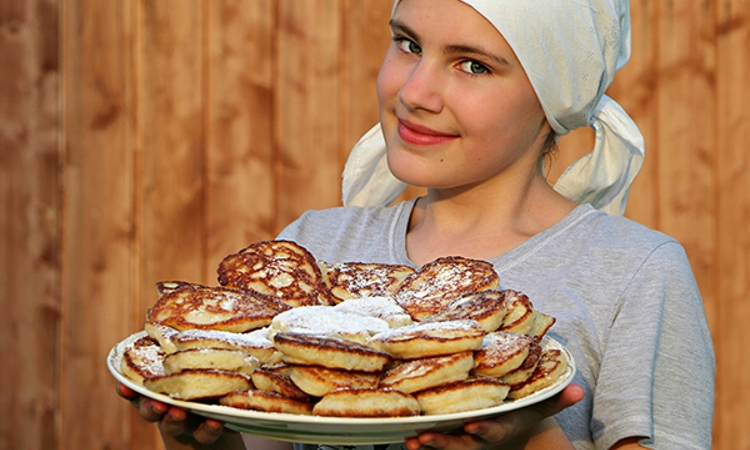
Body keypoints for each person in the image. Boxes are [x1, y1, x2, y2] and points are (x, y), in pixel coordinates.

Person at [118, 0, 715, 449]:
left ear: (553, 97)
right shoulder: (311, 248)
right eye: (408, 45)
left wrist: (528, 441)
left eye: (474, 66)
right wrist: (207, 439)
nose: (415, 90)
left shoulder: (633, 272)